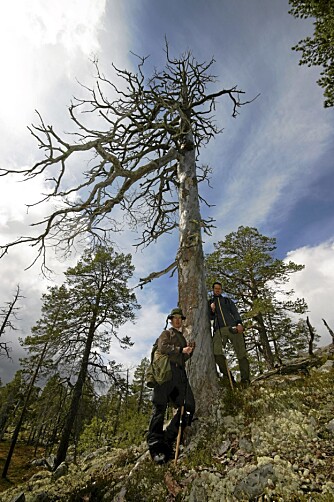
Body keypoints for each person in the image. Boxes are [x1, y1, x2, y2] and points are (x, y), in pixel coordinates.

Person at [147, 307, 195, 464]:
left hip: (179, 375)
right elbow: (162, 347)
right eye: (175, 318)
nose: (177, 320)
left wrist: (188, 352)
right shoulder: (166, 333)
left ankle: (167, 439)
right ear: (171, 320)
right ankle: (155, 447)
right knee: (159, 408)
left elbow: (182, 358)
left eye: (180, 318)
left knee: (188, 406)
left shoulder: (182, 337)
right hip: (165, 373)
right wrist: (181, 349)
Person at [209, 281, 250, 386]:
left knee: (241, 353)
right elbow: (209, 318)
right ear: (213, 290)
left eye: (219, 288)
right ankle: (229, 378)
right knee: (216, 352)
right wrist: (212, 310)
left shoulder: (227, 300)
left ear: (221, 290)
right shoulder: (210, 302)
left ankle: (245, 380)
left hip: (233, 327)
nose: (217, 290)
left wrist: (239, 324)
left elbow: (235, 312)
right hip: (219, 330)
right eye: (216, 288)